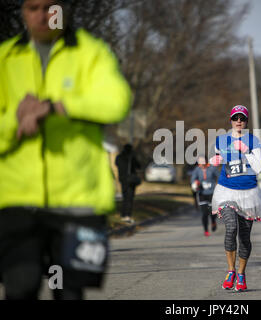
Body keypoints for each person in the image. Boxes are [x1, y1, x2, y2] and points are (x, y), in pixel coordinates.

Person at [0, 0, 131, 300]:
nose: (42, 15)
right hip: (18, 201)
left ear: (64, 10)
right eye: (33, 7)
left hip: (78, 201)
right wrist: (16, 120)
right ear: (22, 11)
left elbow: (117, 102)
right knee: (20, 288)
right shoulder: (5, 58)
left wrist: (58, 107)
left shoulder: (92, 53)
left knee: (68, 292)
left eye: (50, 7)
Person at [210, 105, 261, 292]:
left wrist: (247, 151)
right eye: (235, 118)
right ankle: (230, 271)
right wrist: (214, 161)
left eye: (242, 118)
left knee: (244, 238)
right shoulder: (221, 140)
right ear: (231, 120)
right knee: (231, 227)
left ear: (246, 121)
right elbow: (218, 159)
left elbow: (258, 168)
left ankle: (241, 274)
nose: (239, 121)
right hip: (226, 190)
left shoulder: (253, 140)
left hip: (248, 194)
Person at [190, 155, 220, 237]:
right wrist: (195, 183)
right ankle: (206, 230)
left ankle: (213, 221)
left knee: (212, 212)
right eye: (200, 161)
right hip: (202, 194)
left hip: (212, 193)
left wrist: (219, 184)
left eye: (203, 161)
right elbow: (193, 179)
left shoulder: (212, 168)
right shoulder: (197, 170)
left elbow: (219, 176)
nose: (202, 163)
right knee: (204, 213)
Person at [115, 144, 141, 223]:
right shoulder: (131, 158)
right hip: (130, 180)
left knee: (125, 197)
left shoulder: (119, 157)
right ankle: (127, 215)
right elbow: (138, 166)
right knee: (129, 198)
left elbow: (116, 164)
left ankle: (123, 214)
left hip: (122, 179)